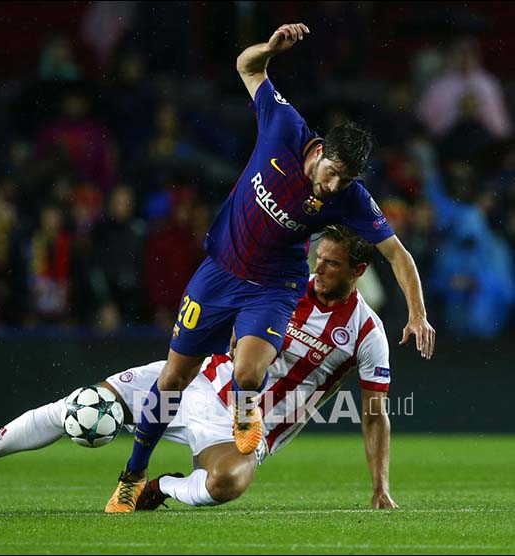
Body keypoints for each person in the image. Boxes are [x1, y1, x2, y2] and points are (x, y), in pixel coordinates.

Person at [104, 23, 435, 513]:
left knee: (250, 366)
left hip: (274, 286)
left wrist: (417, 314)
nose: (332, 185)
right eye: (332, 172)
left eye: (345, 180)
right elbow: (247, 66)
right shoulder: (283, 127)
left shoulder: (351, 200)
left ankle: (244, 416)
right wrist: (270, 50)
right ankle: (132, 474)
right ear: (320, 150)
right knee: (172, 380)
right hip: (219, 272)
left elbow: (398, 255)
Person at [0, 226, 398, 510]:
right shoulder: (283, 285)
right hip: (195, 381)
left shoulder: (365, 331)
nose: (318, 269)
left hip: (240, 430)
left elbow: (374, 413)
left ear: (357, 272)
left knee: (229, 483)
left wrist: (380, 488)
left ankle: (159, 487)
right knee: (83, 406)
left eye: (331, 265)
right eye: (317, 258)